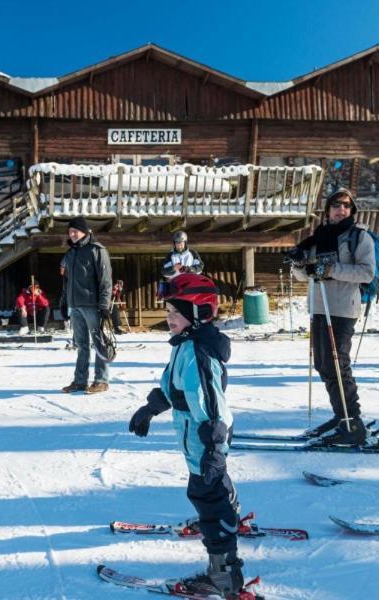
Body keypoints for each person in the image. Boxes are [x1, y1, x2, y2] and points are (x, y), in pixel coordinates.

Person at [127, 274, 246, 598]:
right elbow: (173, 388)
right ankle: (227, 514)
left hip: (206, 434)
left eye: (175, 313)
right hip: (199, 435)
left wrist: (213, 450)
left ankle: (224, 575)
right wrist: (150, 408)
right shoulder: (185, 346)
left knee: (206, 493)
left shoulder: (198, 354)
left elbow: (211, 407)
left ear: (197, 314)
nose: (169, 319)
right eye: (168, 312)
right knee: (212, 487)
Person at [290, 188, 375, 445]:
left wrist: (331, 268)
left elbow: (366, 273)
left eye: (347, 206)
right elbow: (306, 275)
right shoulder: (317, 238)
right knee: (324, 365)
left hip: (342, 309)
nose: (342, 209)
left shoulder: (359, 237)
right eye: (337, 205)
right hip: (319, 307)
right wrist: (298, 265)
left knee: (338, 366)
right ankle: (341, 416)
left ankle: (352, 420)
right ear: (328, 209)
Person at [60, 217, 113, 394]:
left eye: (75, 231)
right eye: (70, 231)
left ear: (85, 231)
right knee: (81, 345)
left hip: (92, 305)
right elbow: (67, 282)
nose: (72, 234)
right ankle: (80, 381)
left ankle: (101, 380)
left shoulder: (97, 250)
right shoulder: (70, 254)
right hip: (75, 306)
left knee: (99, 343)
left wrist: (104, 305)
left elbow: (105, 280)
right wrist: (64, 302)